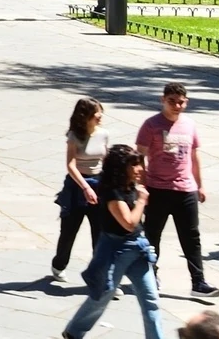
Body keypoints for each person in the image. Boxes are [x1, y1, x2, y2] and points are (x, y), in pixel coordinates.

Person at [61, 143, 166, 339]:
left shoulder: (129, 187)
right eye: (134, 165)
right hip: (117, 251)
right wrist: (142, 201)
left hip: (137, 249)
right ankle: (74, 332)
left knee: (151, 299)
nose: (140, 169)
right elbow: (128, 223)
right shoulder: (112, 193)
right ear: (121, 168)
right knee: (102, 295)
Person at [136, 83, 219, 298]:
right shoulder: (151, 125)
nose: (177, 105)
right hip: (157, 189)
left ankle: (198, 282)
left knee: (191, 237)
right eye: (172, 101)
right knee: (153, 236)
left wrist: (200, 185)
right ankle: (150, 274)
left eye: (181, 101)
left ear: (187, 102)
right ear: (162, 100)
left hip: (186, 190)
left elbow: (194, 156)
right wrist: (142, 186)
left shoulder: (190, 125)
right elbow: (139, 158)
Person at [52, 96, 109, 287]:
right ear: (85, 116)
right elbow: (70, 164)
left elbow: (106, 161)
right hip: (77, 186)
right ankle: (59, 264)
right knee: (69, 231)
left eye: (100, 111)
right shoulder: (74, 136)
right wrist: (85, 187)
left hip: (99, 185)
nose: (100, 116)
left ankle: (100, 274)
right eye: (96, 113)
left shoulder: (103, 134)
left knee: (100, 233)